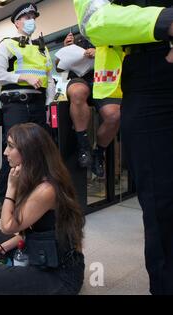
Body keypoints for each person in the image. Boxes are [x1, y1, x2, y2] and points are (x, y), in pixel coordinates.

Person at [73, 0, 173, 295]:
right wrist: (167, 22)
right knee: (162, 202)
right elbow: (95, 20)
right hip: (148, 74)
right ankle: (91, 150)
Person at [0, 123, 85, 295]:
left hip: (58, 276)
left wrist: (11, 188)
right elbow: (32, 230)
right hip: (39, 251)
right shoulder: (35, 178)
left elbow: (8, 226)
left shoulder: (46, 190)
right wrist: (5, 246)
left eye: (10, 146)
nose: (5, 152)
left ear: (29, 151)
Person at [0, 2, 56, 218]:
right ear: (17, 22)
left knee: (37, 152)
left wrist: (49, 105)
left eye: (33, 16)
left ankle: (33, 197)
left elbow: (49, 79)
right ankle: (2, 200)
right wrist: (22, 77)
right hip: (16, 104)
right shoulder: (7, 44)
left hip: (38, 105)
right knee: (13, 151)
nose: (31, 20)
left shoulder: (42, 48)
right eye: (26, 17)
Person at [58, 33, 121, 177]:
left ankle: (99, 153)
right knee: (77, 93)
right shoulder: (76, 37)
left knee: (115, 115)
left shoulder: (109, 32)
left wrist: (99, 53)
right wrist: (66, 50)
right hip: (80, 78)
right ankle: (83, 146)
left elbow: (122, 52)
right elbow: (59, 68)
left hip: (105, 78)